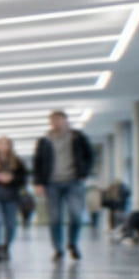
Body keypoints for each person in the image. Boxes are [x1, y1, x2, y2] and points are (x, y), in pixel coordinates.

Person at [32, 109, 95, 261]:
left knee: (76, 215)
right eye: (52, 121)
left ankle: (72, 243)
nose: (55, 123)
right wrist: (38, 183)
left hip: (74, 181)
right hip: (51, 183)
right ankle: (58, 248)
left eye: (58, 120)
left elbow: (90, 155)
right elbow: (37, 162)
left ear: (65, 120)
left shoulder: (77, 137)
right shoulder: (44, 141)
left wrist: (84, 173)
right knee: (54, 218)